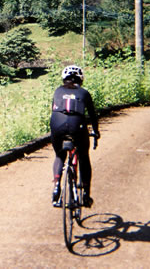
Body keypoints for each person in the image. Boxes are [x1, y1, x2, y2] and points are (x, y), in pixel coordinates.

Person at [50, 65, 99, 207]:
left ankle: (56, 186)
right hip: (77, 125)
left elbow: (53, 110)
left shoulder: (57, 91)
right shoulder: (84, 92)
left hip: (57, 124)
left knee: (59, 155)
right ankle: (86, 195)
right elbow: (92, 116)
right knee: (84, 157)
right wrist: (95, 132)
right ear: (81, 79)